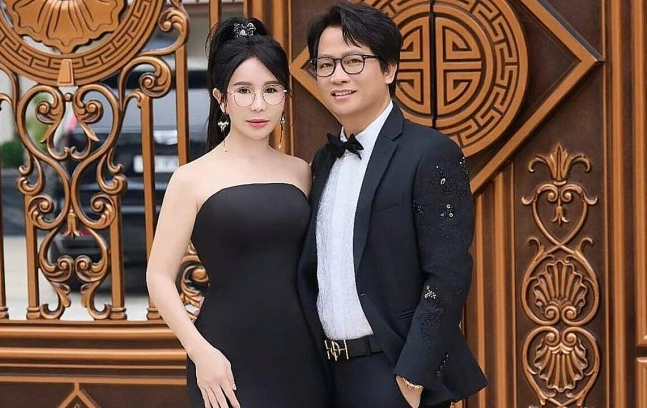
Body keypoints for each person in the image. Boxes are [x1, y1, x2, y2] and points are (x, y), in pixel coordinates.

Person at [297, 3, 488, 408]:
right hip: (329, 376)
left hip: (394, 374)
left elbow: (449, 274)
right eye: (325, 65)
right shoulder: (324, 160)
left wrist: (413, 375)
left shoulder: (430, 153)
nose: (338, 76)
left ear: (388, 69)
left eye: (353, 61)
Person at [146, 17, 329, 408]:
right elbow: (158, 276)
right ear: (221, 98)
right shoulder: (191, 178)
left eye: (271, 90)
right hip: (224, 356)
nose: (258, 104)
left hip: (303, 354)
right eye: (243, 90)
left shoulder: (301, 172)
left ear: (285, 96)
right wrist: (200, 351)